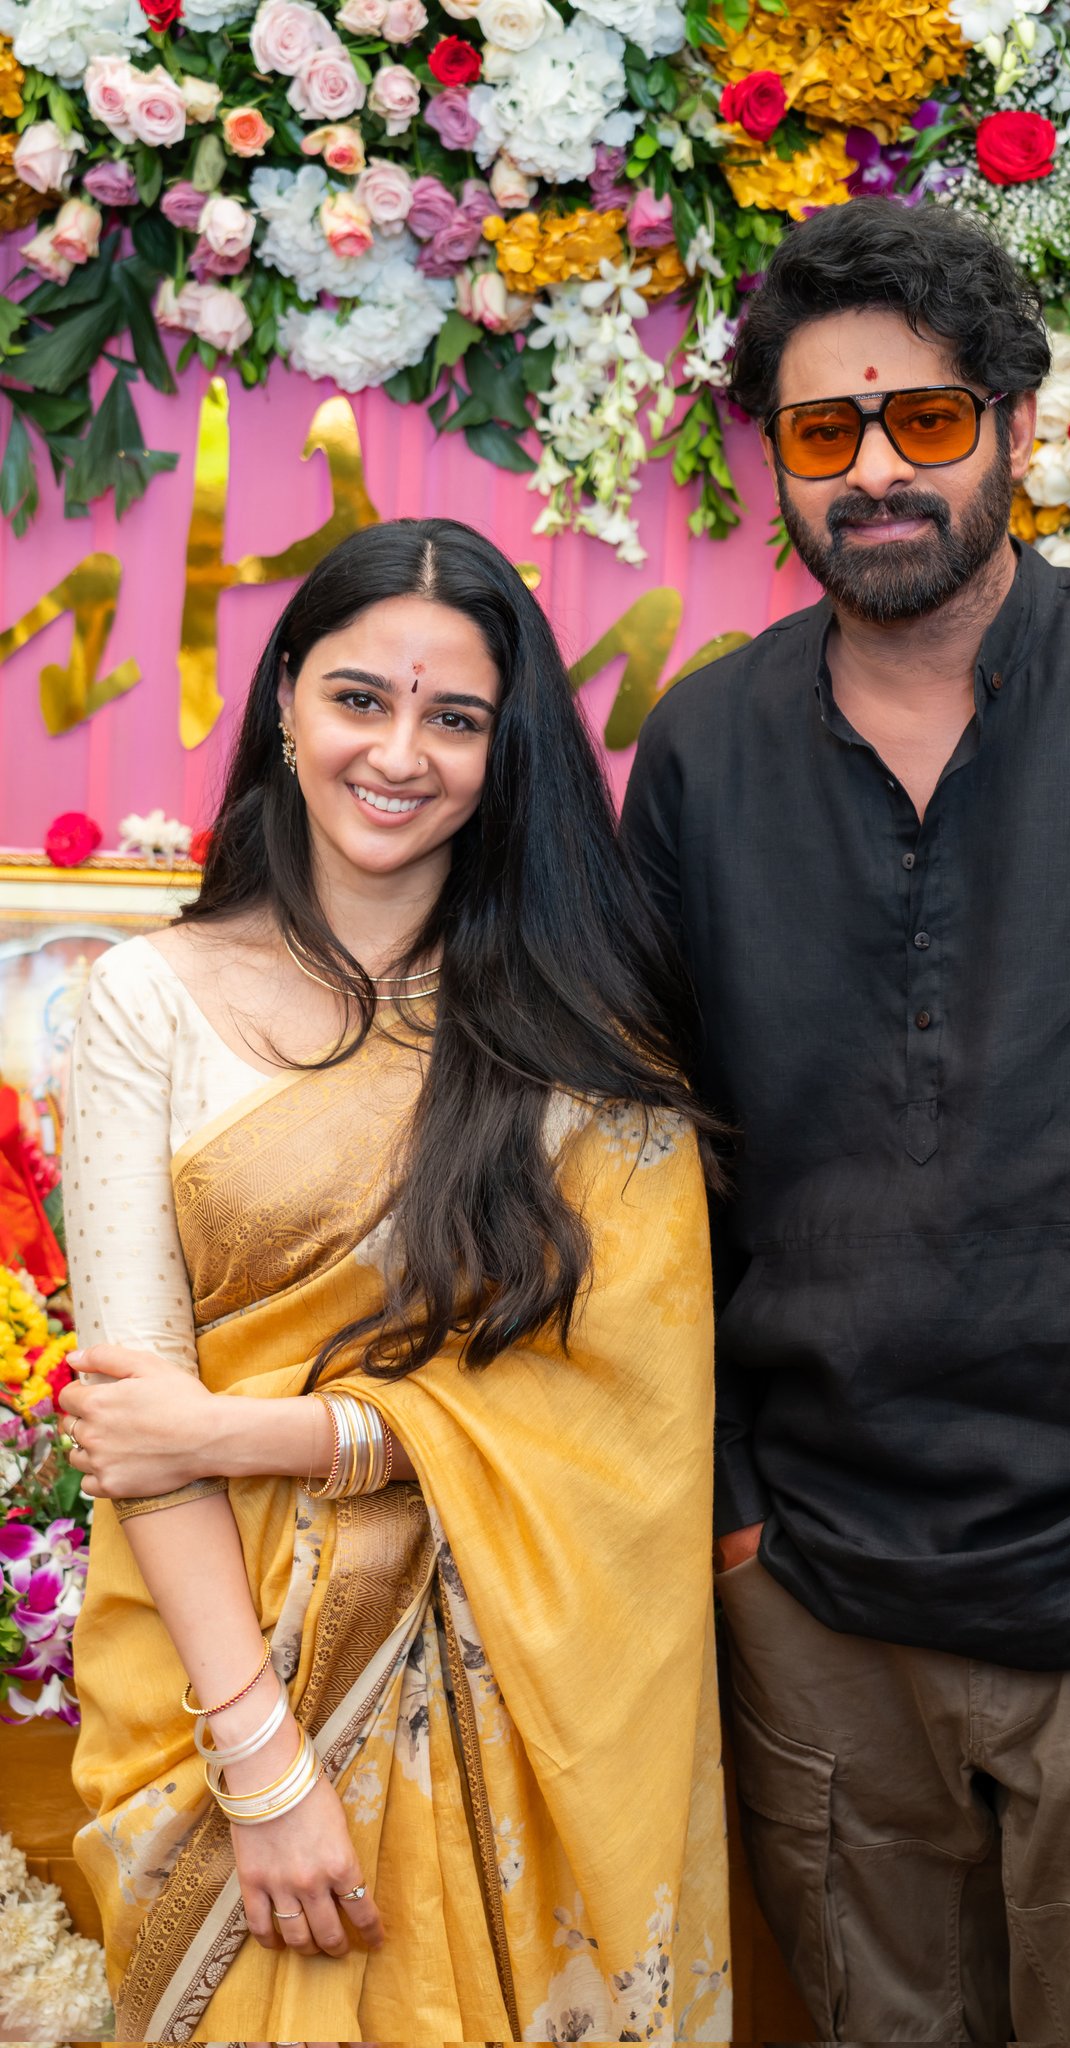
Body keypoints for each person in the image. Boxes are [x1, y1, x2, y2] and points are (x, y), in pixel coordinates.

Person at [620, 196, 1070, 2042]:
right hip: (812, 1596)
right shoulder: (702, 754)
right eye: (823, 431)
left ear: (1016, 424)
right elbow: (647, 1162)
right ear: (776, 462)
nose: (874, 471)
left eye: (926, 419)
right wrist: (733, 1524)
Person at [58, 517, 731, 2044]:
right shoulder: (143, 1003)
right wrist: (260, 1762)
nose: (399, 754)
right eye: (360, 698)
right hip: (223, 1666)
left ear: (507, 750)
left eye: (456, 718)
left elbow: (621, 1414)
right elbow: (139, 1430)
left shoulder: (582, 1043)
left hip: (519, 1706)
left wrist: (252, 1430)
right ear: (286, 698)